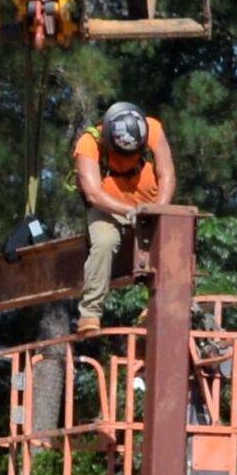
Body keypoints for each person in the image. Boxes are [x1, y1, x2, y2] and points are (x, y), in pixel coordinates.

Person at [73, 102, 176, 333]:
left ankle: (156, 308)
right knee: (103, 242)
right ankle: (90, 314)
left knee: (171, 241)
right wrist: (129, 212)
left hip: (149, 204)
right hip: (107, 206)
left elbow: (167, 174)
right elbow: (92, 193)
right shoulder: (89, 143)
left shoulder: (153, 129)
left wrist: (158, 211)